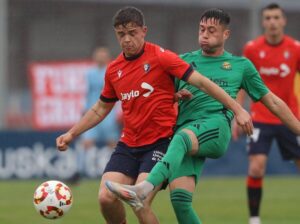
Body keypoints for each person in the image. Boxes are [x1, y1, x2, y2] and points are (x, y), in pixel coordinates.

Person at [56, 6, 253, 224]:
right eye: (121, 34)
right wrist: (72, 133)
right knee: (105, 198)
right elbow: (100, 108)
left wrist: (237, 109)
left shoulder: (162, 57)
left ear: (144, 31)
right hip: (128, 144)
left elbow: (203, 83)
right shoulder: (114, 70)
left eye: (132, 33)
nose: (127, 39)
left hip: (160, 143)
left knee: (140, 203)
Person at [105, 8, 300, 224]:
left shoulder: (241, 66)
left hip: (215, 127)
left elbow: (272, 101)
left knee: (181, 139)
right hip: (185, 133)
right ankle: (144, 191)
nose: (204, 34)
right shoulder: (183, 61)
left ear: (226, 35)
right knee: (180, 201)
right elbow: (157, 94)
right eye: (201, 29)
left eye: (211, 30)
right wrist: (174, 96)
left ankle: (143, 190)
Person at [231, 3, 300, 224]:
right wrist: (238, 112)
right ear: (263, 22)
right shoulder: (252, 49)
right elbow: (242, 82)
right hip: (260, 118)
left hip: (290, 117)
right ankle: (254, 219)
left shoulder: (295, 48)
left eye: (276, 17)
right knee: (256, 166)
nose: (272, 22)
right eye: (268, 18)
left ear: (283, 21)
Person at [73, 47, 120, 183]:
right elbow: (86, 93)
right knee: (86, 143)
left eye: (103, 55)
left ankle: (116, 171)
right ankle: (78, 171)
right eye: (98, 55)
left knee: (113, 143)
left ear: (107, 58)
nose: (100, 57)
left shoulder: (112, 72)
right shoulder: (89, 74)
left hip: (108, 114)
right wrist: (84, 109)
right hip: (92, 112)